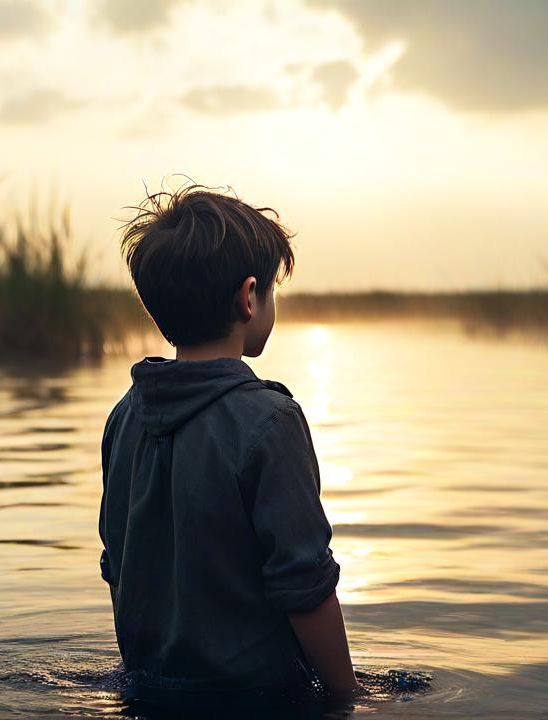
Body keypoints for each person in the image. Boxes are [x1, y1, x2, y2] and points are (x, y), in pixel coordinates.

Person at [98, 184, 368, 709]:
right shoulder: (270, 421)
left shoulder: (123, 418)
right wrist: (348, 697)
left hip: (148, 690)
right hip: (255, 697)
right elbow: (303, 585)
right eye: (271, 290)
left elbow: (120, 570)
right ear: (249, 297)